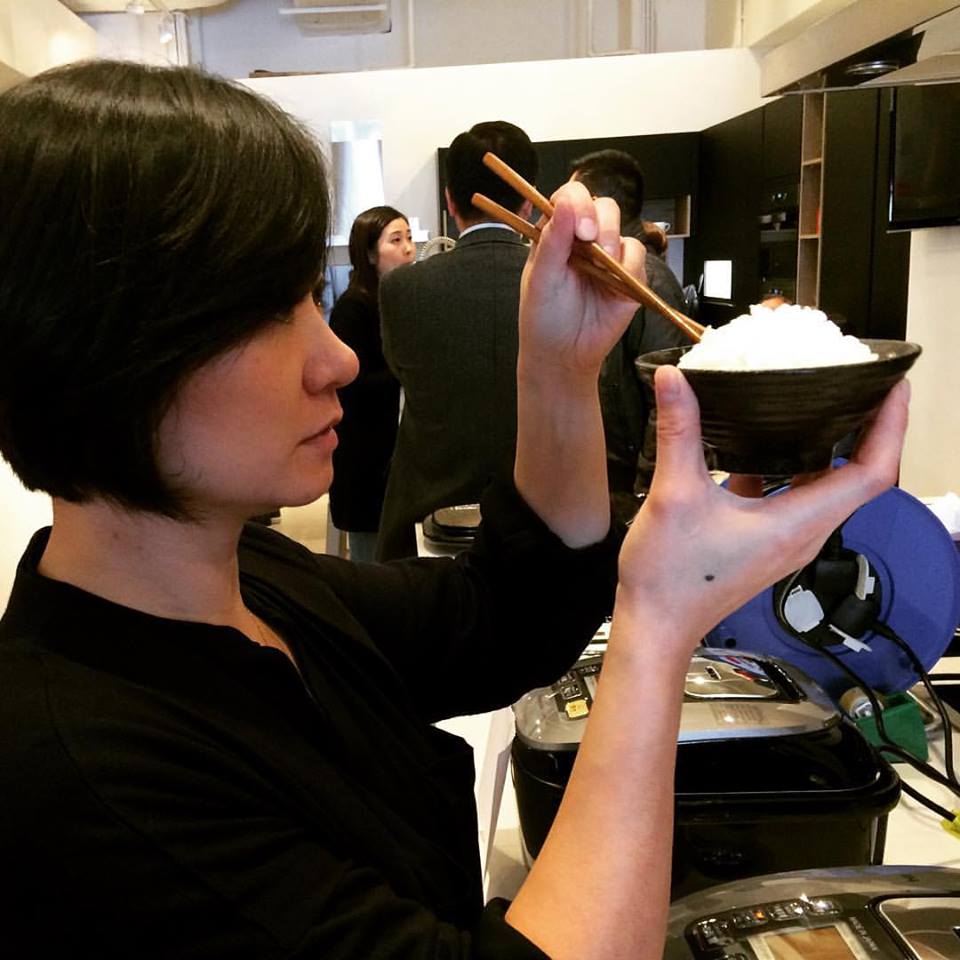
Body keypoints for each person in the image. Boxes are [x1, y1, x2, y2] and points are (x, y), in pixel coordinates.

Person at [0, 60, 909, 960]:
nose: (338, 362)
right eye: (261, 315)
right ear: (94, 353)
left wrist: (560, 366)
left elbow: (505, 616)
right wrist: (662, 618)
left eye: (307, 298)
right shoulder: (78, 781)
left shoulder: (246, 581)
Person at [376, 120, 538, 560]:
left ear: (450, 200)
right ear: (529, 201)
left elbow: (401, 369)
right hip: (541, 517)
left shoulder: (402, 288)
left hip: (427, 513)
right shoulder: (566, 282)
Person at [570, 148, 693, 513]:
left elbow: (668, 398)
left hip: (629, 488)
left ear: (597, 205)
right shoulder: (603, 272)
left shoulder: (649, 280)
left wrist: (646, 493)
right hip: (607, 479)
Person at [328, 206, 414, 562]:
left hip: (394, 451)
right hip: (364, 458)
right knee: (372, 562)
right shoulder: (353, 308)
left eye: (409, 238)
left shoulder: (399, 300)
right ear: (370, 254)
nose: (408, 248)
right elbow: (352, 384)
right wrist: (408, 370)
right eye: (396, 240)